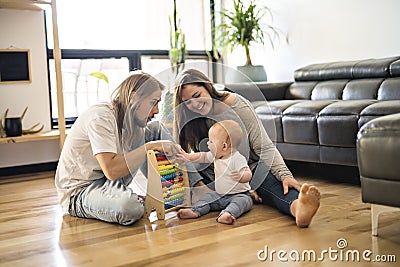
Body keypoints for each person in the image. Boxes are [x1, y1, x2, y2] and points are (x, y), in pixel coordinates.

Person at [173, 69, 321, 227]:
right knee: (191, 164)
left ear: (208, 87)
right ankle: (223, 195)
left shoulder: (237, 106)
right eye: (187, 102)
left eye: (197, 95)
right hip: (217, 173)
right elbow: (193, 156)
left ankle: (298, 208)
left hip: (250, 169)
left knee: (274, 184)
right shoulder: (192, 118)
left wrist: (285, 175)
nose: (194, 104)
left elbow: (263, 146)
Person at [55, 71, 186, 226]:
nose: (156, 110)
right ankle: (143, 199)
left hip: (112, 183)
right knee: (130, 208)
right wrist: (149, 147)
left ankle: (186, 188)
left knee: (156, 129)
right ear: (133, 98)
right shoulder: (101, 116)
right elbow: (111, 170)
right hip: (80, 191)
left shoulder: (135, 122)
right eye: (152, 102)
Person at [177, 120, 253, 224]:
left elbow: (248, 173)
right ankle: (195, 211)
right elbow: (202, 156)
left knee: (242, 202)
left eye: (211, 142)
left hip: (239, 194)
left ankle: (227, 214)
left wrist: (241, 176)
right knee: (206, 198)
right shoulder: (215, 155)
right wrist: (188, 157)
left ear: (224, 146)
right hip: (219, 195)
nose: (208, 144)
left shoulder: (237, 158)